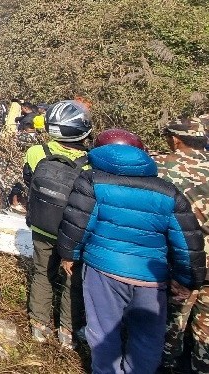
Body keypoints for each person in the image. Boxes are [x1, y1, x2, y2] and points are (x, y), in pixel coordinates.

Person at [58, 129, 206, 374]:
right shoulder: (168, 191)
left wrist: (68, 254)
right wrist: (188, 279)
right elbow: (187, 240)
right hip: (151, 278)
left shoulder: (92, 181)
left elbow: (77, 223)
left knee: (104, 332)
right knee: (147, 339)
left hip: (103, 271)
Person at [23, 100, 92, 347]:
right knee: (73, 281)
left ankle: (39, 326)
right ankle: (67, 331)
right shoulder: (90, 162)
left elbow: (29, 181)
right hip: (74, 233)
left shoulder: (36, 152)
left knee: (42, 273)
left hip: (42, 226)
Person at [157, 118, 209, 372]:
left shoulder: (164, 168)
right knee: (206, 330)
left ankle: (165, 365)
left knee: (170, 320)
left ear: (176, 140)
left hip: (181, 259)